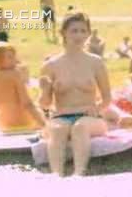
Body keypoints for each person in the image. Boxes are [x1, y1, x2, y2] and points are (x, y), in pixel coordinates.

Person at [39, 12, 111, 176]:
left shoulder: (96, 62)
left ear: (88, 33)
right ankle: (56, 175)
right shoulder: (51, 65)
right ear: (63, 33)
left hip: (90, 117)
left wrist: (97, 108)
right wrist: (44, 90)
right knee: (57, 130)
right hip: (61, 116)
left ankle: (79, 173)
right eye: (74, 31)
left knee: (80, 127)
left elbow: (107, 99)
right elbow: (45, 104)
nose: (79, 35)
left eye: (83, 31)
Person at [0, 42, 47, 133]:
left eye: (14, 56)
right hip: (25, 123)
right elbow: (27, 103)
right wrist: (43, 124)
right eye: (10, 57)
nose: (15, 60)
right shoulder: (15, 74)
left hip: (5, 125)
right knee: (39, 110)